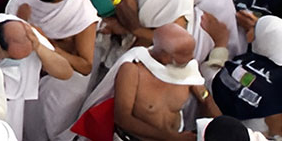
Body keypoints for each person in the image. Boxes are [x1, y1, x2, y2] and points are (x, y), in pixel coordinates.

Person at [72, 23, 219, 141]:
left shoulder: (187, 69)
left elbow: (205, 98)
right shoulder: (133, 69)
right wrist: (171, 138)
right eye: (184, 55)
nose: (191, 58)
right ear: (164, 55)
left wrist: (221, 126)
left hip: (177, 135)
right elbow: (122, 118)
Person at [6, 0, 100, 141]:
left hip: (60, 82)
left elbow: (85, 65)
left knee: (46, 130)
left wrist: (46, 43)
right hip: (27, 68)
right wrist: (20, 20)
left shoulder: (82, 13)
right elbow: (15, 13)